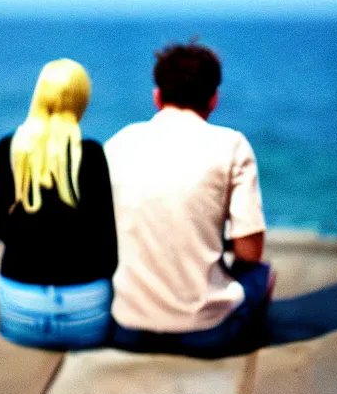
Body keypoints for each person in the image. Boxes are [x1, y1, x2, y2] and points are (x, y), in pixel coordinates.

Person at [104, 41, 274, 358]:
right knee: (263, 274)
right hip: (208, 334)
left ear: (157, 96)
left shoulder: (118, 143)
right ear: (214, 98)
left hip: (127, 328)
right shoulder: (232, 146)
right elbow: (250, 252)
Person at [0, 58, 117, 350]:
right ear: (81, 99)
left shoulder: (8, 149)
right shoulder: (92, 155)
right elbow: (109, 252)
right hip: (85, 314)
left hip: (21, 311)